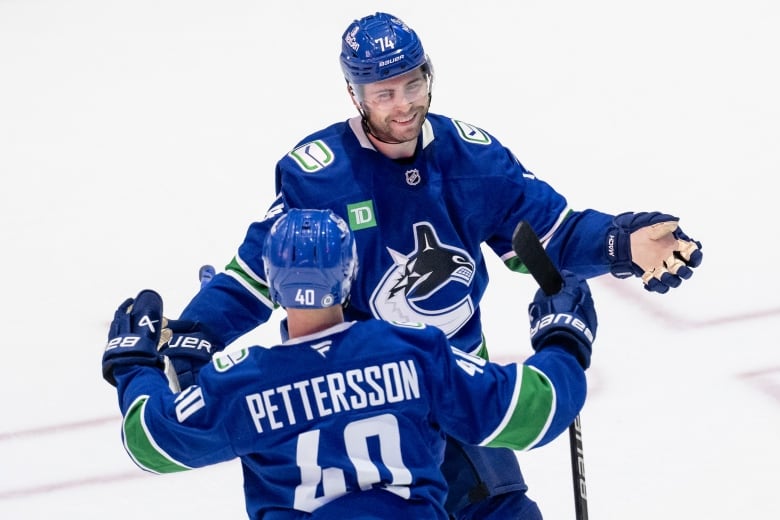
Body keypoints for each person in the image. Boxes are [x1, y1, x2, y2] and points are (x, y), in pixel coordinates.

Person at [161, 12, 703, 519]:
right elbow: (258, 273)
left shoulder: (472, 159)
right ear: (354, 94)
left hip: (453, 384)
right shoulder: (321, 177)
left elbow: (551, 234)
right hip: (367, 396)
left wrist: (621, 242)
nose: (403, 104)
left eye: (413, 84)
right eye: (384, 93)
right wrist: (193, 332)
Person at [102, 209, 598, 520]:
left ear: (271, 286)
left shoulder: (240, 385)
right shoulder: (412, 351)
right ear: (350, 274)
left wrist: (134, 366)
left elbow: (150, 442)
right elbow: (532, 411)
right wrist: (563, 339)